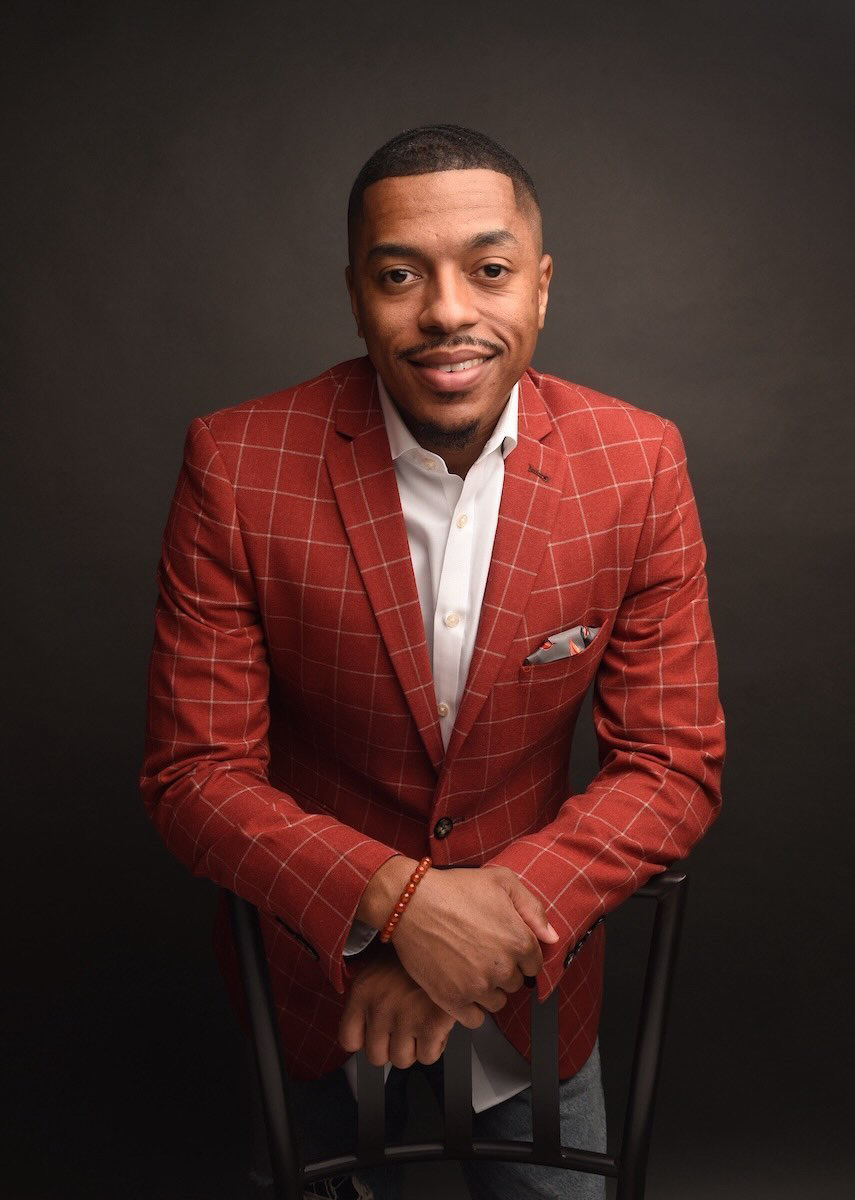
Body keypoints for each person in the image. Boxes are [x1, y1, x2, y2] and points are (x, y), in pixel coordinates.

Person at [140, 124, 725, 1200]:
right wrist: (400, 909)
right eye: (401, 274)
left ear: (540, 288)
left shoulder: (639, 463)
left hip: (532, 984)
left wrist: (479, 941)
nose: (447, 310)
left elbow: (673, 764)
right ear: (357, 292)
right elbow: (193, 777)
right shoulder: (236, 463)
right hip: (321, 980)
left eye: (488, 270)